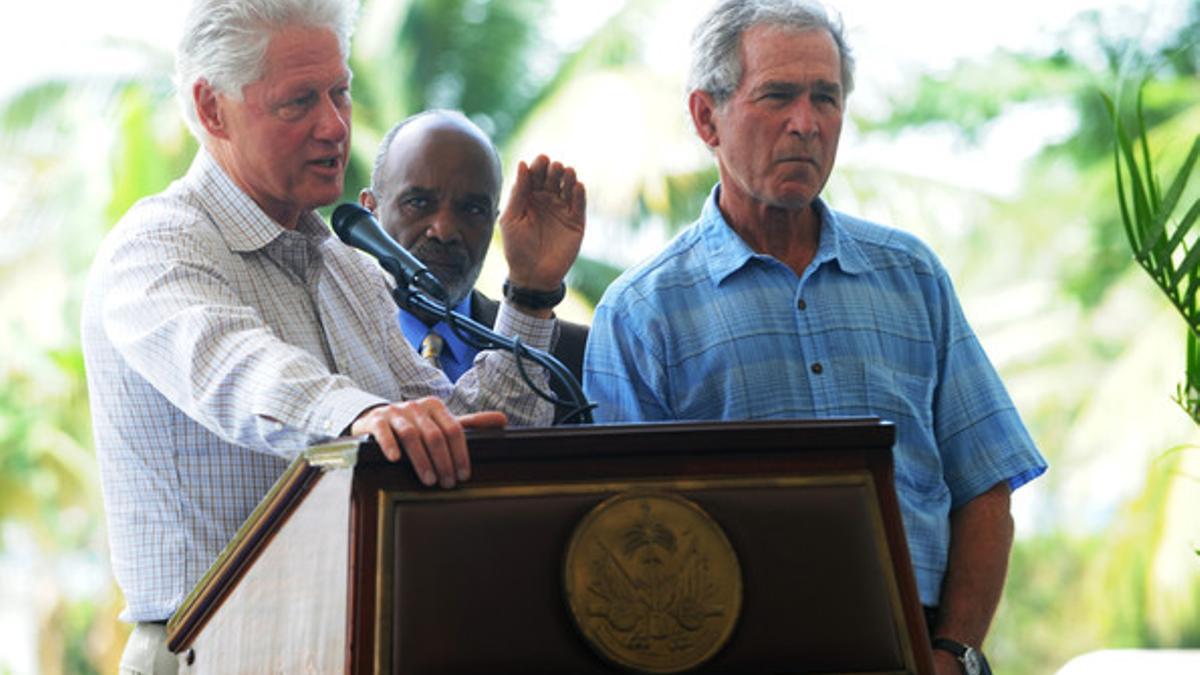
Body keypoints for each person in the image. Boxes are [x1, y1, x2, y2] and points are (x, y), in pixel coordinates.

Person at [80, 0, 584, 672]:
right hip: (213, 647)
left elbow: (454, 436)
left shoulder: (348, 267)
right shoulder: (156, 248)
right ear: (211, 108)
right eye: (298, 102)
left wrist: (529, 295)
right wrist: (365, 418)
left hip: (356, 637)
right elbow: (237, 370)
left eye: (340, 92)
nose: (334, 125)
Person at [582, 1, 1046, 673]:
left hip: (915, 646)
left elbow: (985, 482)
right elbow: (627, 537)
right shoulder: (642, 311)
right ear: (706, 118)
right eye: (777, 96)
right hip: (735, 648)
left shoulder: (911, 276)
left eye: (826, 98)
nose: (807, 123)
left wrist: (954, 653)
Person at [359, 110, 589, 423]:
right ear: (369, 209)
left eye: (472, 209)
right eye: (418, 203)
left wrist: (534, 291)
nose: (443, 230)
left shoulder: (569, 359)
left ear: (495, 222)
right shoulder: (330, 342)